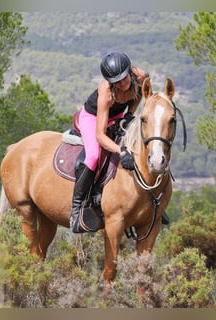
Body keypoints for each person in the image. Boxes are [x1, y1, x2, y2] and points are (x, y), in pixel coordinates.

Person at [69, 51, 168, 233]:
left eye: (123, 79)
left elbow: (139, 95)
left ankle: (153, 199)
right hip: (93, 118)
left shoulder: (141, 76)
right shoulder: (106, 92)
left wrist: (130, 113)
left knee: (145, 143)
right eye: (117, 82)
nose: (122, 84)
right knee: (93, 155)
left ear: (129, 72)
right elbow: (100, 135)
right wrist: (120, 151)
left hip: (118, 116)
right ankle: (76, 210)